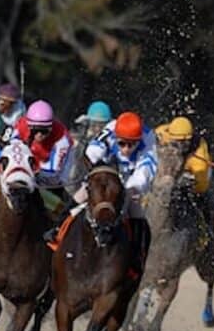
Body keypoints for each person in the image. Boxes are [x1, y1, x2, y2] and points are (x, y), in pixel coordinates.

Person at [54, 111, 156, 268]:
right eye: (122, 143)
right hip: (105, 173)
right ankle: (56, 230)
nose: (127, 149)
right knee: (80, 195)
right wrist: (95, 161)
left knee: (137, 213)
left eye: (132, 144)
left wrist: (130, 189)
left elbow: (146, 169)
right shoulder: (111, 129)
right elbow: (93, 150)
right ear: (116, 137)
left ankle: (138, 256)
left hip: (130, 179)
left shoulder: (149, 138)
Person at [0, 100, 74, 214]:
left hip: (53, 176)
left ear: (51, 127)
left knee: (63, 208)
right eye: (35, 130)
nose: (39, 134)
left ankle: (60, 219)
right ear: (28, 125)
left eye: (44, 130)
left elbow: (53, 174)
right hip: (29, 167)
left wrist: (28, 175)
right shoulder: (20, 126)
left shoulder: (62, 140)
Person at [155, 115, 214, 236]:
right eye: (175, 142)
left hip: (195, 174)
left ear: (189, 141)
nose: (178, 148)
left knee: (207, 203)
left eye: (182, 143)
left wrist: (189, 184)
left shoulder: (199, 156)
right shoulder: (161, 133)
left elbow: (202, 186)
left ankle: (210, 235)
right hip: (169, 173)